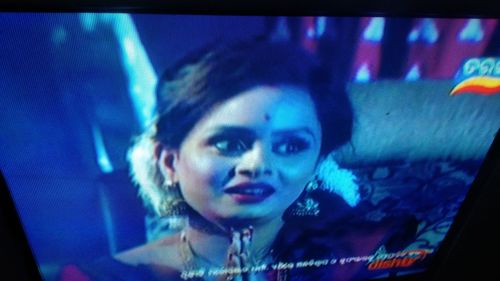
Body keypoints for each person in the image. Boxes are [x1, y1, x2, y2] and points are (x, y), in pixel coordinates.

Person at [60, 40, 416, 281]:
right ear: (169, 162)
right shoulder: (100, 277)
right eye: (229, 142)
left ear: (315, 164)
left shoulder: (366, 253)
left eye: (292, 146)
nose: (258, 164)